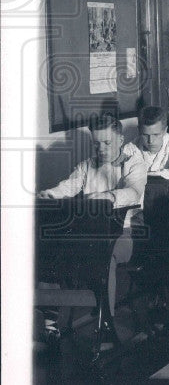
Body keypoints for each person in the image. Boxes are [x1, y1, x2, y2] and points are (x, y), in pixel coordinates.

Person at [38, 114, 148, 342]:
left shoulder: (134, 164)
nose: (102, 149)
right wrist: (49, 194)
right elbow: (68, 186)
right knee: (51, 251)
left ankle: (106, 325)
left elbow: (134, 192)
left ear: (120, 140)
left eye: (107, 143)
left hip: (126, 231)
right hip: (90, 230)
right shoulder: (87, 166)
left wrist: (107, 196)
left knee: (104, 257)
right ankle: (50, 323)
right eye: (97, 143)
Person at [134, 105, 169, 185]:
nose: (151, 141)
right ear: (139, 130)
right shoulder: (131, 147)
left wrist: (145, 175)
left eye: (156, 134)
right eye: (145, 135)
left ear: (165, 131)